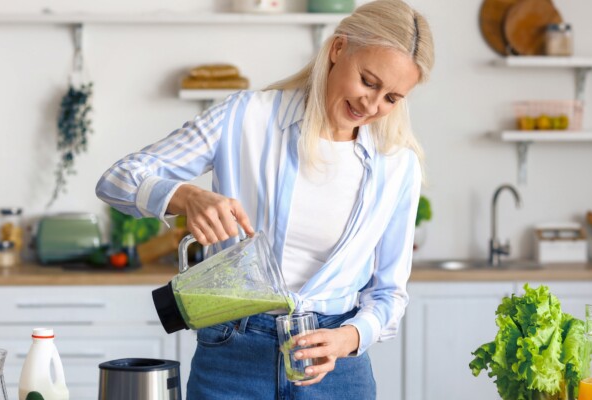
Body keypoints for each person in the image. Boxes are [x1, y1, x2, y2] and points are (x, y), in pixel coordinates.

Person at [96, 0, 434, 398]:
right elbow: (116, 179)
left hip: (336, 369)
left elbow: (389, 293)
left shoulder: (398, 164)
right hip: (233, 354)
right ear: (338, 49)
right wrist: (185, 196)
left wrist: (348, 338)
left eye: (392, 98)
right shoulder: (245, 117)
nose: (372, 105)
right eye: (368, 81)